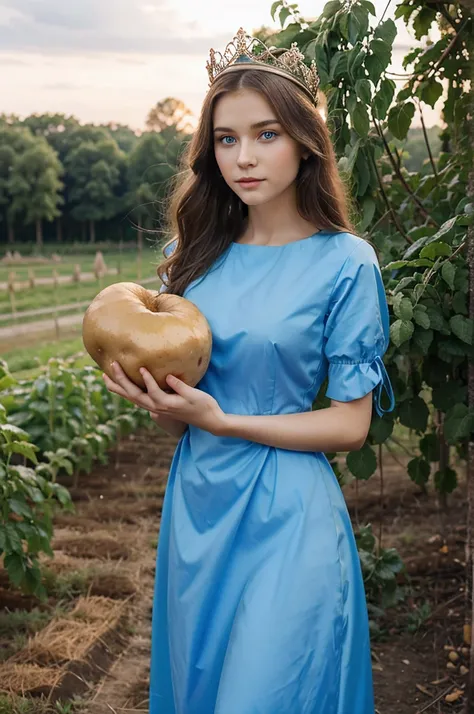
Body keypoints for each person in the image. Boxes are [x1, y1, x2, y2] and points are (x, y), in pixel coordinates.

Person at [103, 27, 396, 714]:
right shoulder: (191, 256)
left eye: (266, 134)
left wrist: (223, 419)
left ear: (305, 140)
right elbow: (186, 404)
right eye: (226, 139)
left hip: (289, 512)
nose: (244, 157)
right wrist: (164, 403)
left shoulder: (346, 261)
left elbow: (351, 426)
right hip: (200, 504)